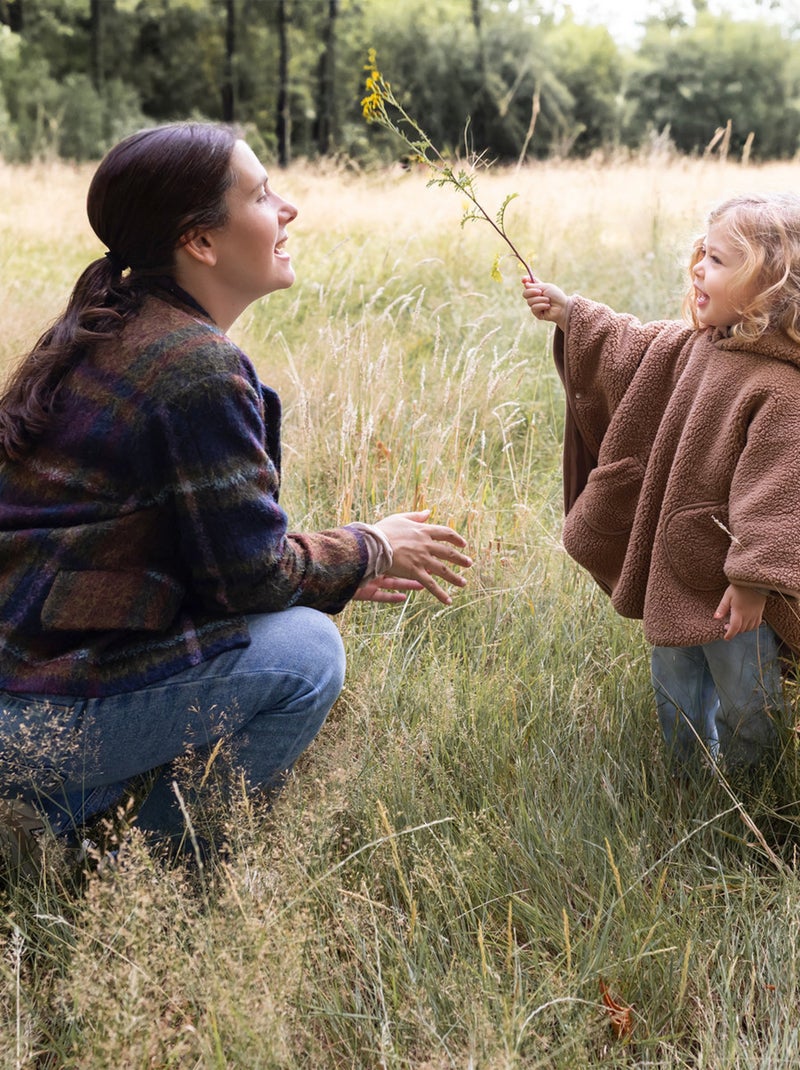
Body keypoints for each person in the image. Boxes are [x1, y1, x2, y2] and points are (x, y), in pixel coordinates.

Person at [0, 121, 472, 868]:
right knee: (307, 654)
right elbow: (249, 578)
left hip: (22, 685)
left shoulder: (110, 327)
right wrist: (372, 547)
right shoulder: (195, 366)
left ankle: (56, 810)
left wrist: (336, 562)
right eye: (260, 194)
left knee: (281, 625)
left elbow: (211, 561)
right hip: (32, 718)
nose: (289, 210)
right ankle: (123, 865)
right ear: (202, 243)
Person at [522, 191, 800, 772]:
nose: (699, 266)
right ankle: (689, 775)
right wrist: (574, 314)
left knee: (747, 697)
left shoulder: (779, 388)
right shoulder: (701, 344)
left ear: (769, 289)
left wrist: (753, 580)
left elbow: (777, 491)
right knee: (676, 682)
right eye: (702, 252)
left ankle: (751, 792)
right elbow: (634, 346)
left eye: (719, 261)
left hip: (733, 590)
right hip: (673, 569)